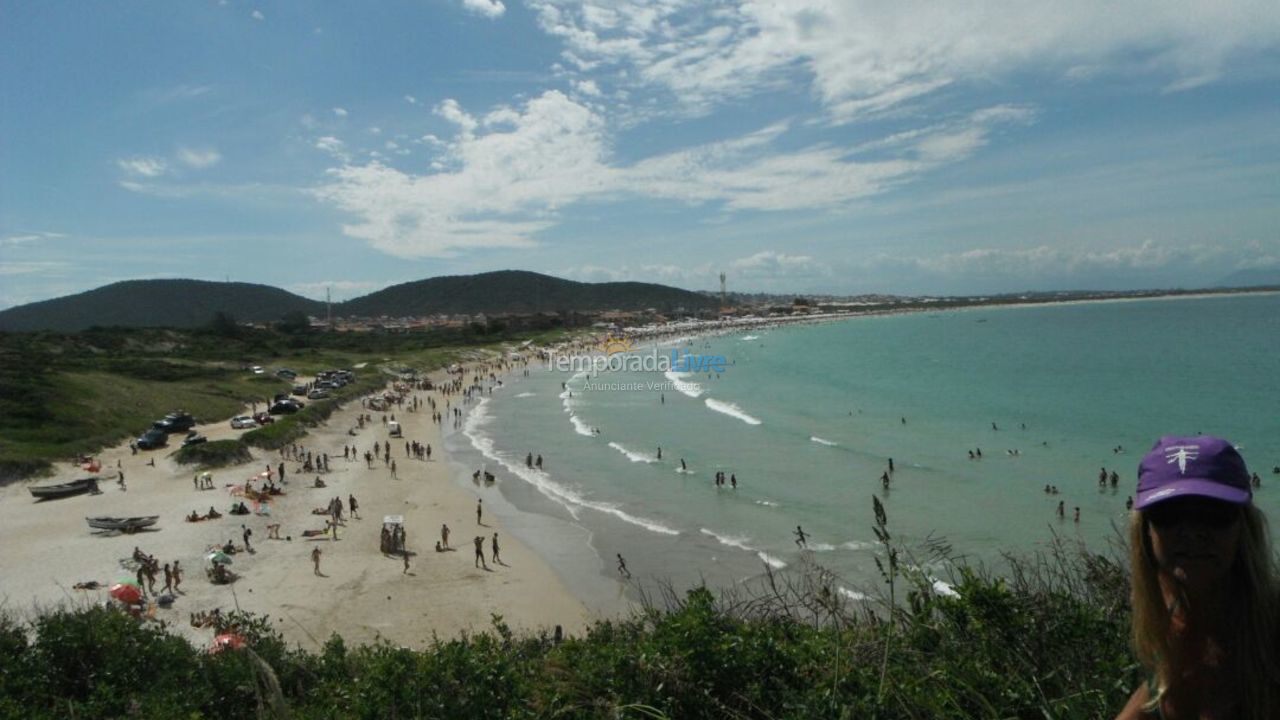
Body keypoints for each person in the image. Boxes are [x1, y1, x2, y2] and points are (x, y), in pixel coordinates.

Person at [1115, 436, 1279, 720]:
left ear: (1244, 528)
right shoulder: (1169, 630)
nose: (1192, 533)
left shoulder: (1271, 633)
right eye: (1170, 514)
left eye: (1214, 513)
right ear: (1145, 532)